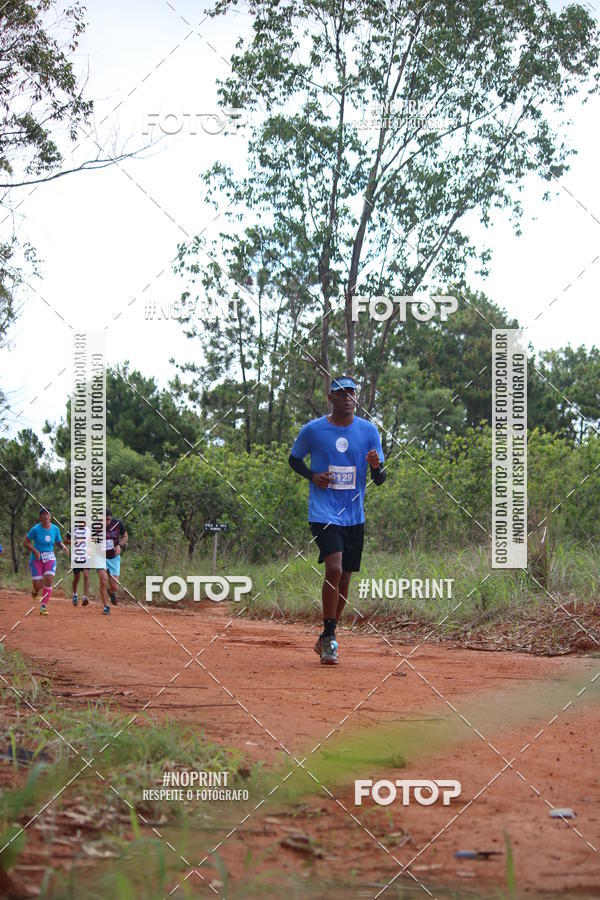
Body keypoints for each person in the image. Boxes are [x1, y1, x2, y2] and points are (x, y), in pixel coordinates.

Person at [289, 375, 386, 665]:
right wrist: (313, 476)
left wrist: (375, 466)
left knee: (345, 578)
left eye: (351, 393)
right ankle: (330, 638)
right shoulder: (313, 430)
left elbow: (380, 479)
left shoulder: (368, 431)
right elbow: (294, 459)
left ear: (357, 398)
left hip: (354, 515)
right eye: (340, 393)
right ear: (330, 398)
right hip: (323, 512)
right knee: (334, 568)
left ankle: (326, 634)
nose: (347, 398)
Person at [24, 507, 68, 616]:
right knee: (38, 585)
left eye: (47, 514)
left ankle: (43, 606)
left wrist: (63, 547)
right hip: (37, 559)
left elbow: (58, 542)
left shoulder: (55, 529)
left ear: (50, 516)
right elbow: (26, 542)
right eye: (43, 514)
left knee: (48, 580)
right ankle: (35, 591)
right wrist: (35, 551)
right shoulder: (35, 529)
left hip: (50, 558)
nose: (46, 516)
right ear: (40, 517)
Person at [101, 507, 128, 616]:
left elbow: (125, 536)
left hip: (114, 557)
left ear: (111, 518)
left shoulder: (118, 524)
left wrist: (120, 545)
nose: (106, 522)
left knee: (114, 586)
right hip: (101, 557)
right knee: (103, 580)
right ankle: (106, 606)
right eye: (104, 520)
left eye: (108, 519)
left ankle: (111, 592)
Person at [64, 530, 90, 607]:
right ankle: (75, 594)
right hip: (76, 557)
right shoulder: (72, 529)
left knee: (86, 575)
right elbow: (65, 541)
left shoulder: (89, 530)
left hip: (86, 557)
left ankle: (85, 597)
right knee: (76, 578)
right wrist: (75, 541)